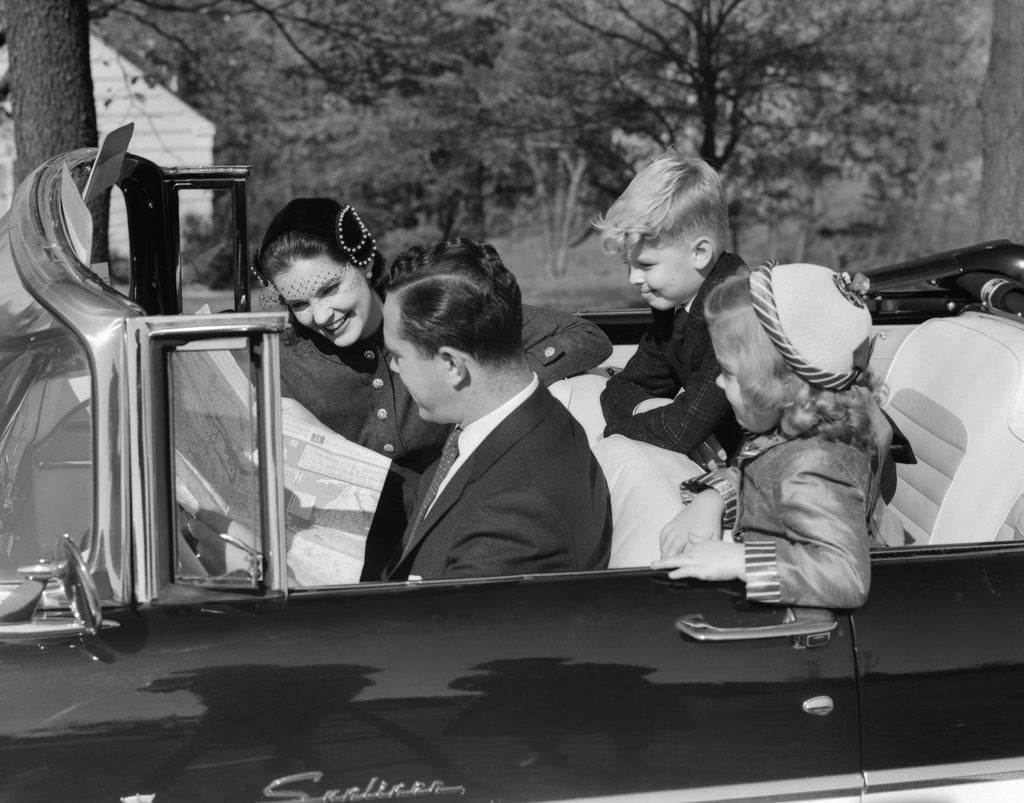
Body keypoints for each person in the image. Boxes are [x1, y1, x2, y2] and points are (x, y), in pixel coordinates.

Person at [251, 198, 613, 576]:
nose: (321, 315)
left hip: (455, 522)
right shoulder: (281, 363)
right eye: (299, 303)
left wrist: (496, 388)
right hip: (355, 555)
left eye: (329, 288)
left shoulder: (432, 312)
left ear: (366, 263)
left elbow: (581, 336)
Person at [652, 262, 886, 609]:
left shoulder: (818, 465)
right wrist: (713, 500)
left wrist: (740, 561)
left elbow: (846, 575)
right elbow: (763, 475)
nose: (719, 382)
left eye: (729, 374)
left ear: (780, 387)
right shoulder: (794, 428)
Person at [379, 238, 612, 581]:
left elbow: (441, 631)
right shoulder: (530, 418)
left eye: (398, 356)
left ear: (452, 365)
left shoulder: (515, 518)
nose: (395, 368)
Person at [587, 152, 747, 566]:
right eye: (629, 264)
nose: (632, 279)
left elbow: (679, 433)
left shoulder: (734, 315)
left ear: (700, 253)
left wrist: (668, 420)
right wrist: (652, 405)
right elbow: (620, 390)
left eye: (645, 264)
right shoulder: (674, 306)